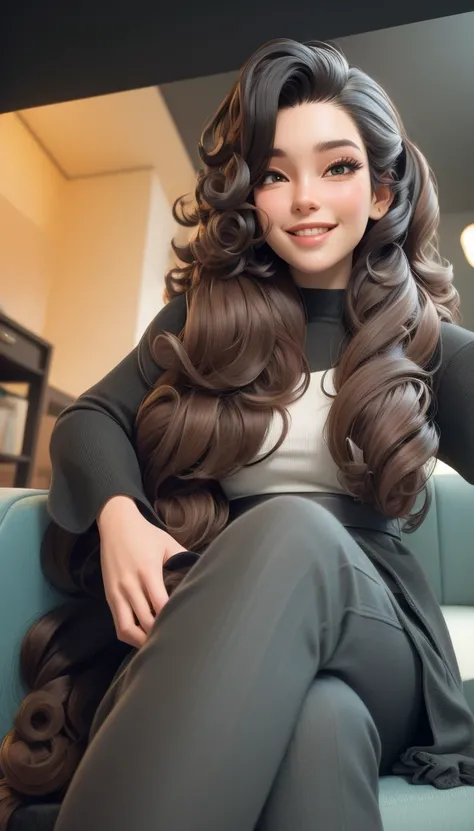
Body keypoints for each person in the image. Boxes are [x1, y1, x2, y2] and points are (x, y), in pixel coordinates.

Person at [1, 37, 474, 831]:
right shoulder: (205, 320)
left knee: (292, 527)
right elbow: (90, 419)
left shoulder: (429, 345)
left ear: (383, 193)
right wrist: (120, 514)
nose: (304, 198)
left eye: (338, 168)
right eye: (274, 174)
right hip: (240, 619)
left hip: (380, 637)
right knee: (317, 726)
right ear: (251, 196)